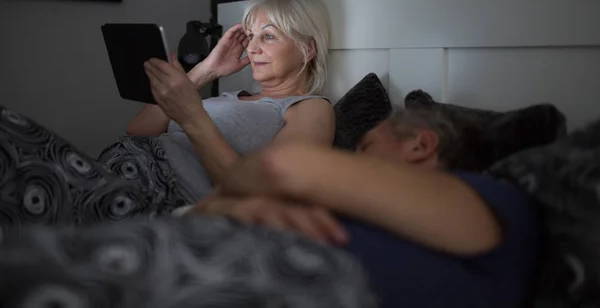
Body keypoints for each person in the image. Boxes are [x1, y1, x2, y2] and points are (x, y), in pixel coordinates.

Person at [193, 108, 542, 308]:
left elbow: (278, 166)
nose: (349, 161)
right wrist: (225, 206)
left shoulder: (494, 201)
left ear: (420, 145)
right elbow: (198, 214)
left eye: (366, 146)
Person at [114, 0, 335, 206]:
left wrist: (191, 116)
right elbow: (139, 129)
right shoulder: (231, 96)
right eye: (250, 36)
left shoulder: (310, 107)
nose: (252, 48)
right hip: (120, 164)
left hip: (151, 189)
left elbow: (270, 192)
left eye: (268, 36)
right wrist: (206, 70)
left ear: (307, 49)